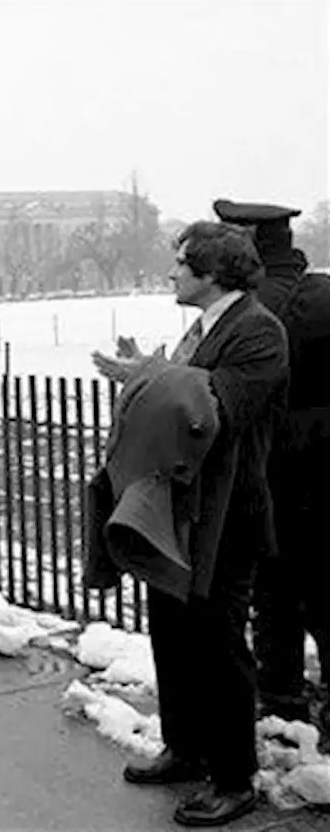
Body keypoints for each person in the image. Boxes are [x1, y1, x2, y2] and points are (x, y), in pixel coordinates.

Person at [91, 222, 287, 828]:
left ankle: (234, 777)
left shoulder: (258, 331)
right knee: (171, 634)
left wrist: (141, 376)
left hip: (228, 519)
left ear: (212, 272)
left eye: (181, 264)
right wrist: (148, 372)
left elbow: (217, 405)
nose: (172, 273)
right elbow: (180, 395)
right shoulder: (200, 330)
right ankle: (184, 746)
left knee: (219, 644)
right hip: (179, 513)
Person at [214, 200, 331, 733]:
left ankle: (282, 698)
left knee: (274, 590)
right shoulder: (323, 295)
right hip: (322, 473)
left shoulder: (249, 312)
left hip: (269, 472)